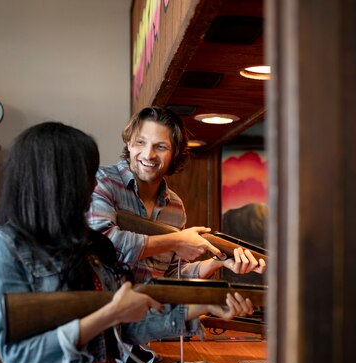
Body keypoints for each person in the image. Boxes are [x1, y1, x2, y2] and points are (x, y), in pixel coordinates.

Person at [0, 122, 253, 363]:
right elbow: (18, 357)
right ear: (54, 180)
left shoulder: (90, 243)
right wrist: (111, 312)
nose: (93, 185)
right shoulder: (1, 247)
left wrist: (201, 308)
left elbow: (121, 331)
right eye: (85, 175)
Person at [87, 106, 267, 283]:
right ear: (129, 143)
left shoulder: (175, 206)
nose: (149, 154)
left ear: (175, 154)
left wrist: (217, 262)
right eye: (140, 142)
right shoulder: (102, 182)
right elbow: (103, 245)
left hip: (154, 311)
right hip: (106, 310)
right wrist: (177, 240)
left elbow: (174, 275)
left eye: (161, 147)